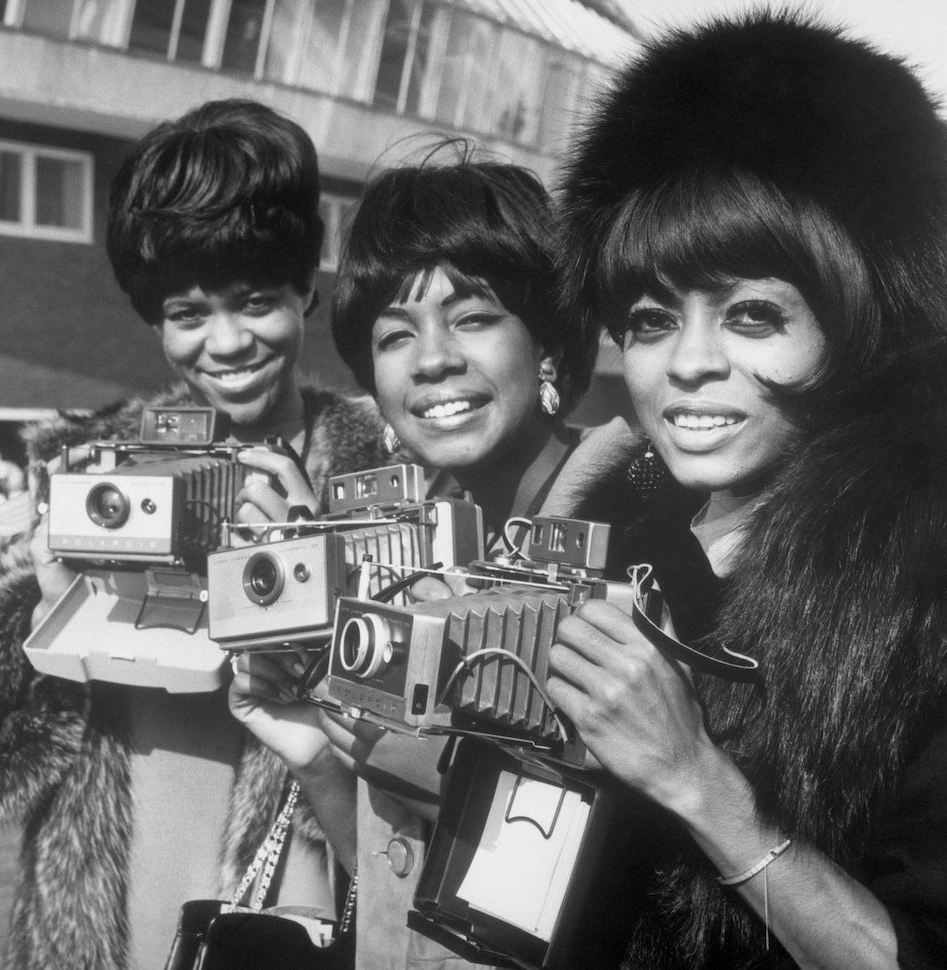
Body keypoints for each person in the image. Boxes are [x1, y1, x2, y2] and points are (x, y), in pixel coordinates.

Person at [546, 11, 947, 969]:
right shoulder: (617, 535)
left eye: (752, 314)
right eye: (649, 317)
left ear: (859, 324)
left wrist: (699, 783)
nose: (689, 365)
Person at [0, 99, 386, 970]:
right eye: (189, 312)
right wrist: (35, 610)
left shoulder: (380, 475)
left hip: (295, 901)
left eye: (258, 301)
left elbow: (415, 762)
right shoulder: (81, 476)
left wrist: (314, 573)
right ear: (155, 319)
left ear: (307, 292)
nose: (227, 341)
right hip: (109, 912)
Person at [229, 151, 650, 970]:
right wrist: (317, 755)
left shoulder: (642, 536)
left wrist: (401, 756)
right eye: (395, 334)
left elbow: (630, 895)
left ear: (549, 342)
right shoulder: (412, 549)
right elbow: (409, 894)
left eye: (473, 317)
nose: (431, 361)